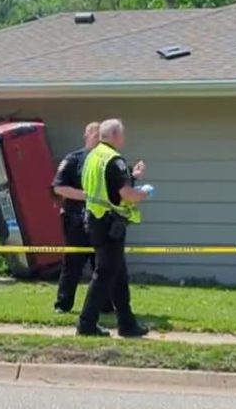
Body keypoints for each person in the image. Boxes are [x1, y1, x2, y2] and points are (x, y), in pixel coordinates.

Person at [76, 119, 151, 338]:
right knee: (105, 274)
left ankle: (127, 324)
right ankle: (86, 324)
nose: (124, 138)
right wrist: (145, 193)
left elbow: (105, 183)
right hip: (109, 223)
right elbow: (125, 194)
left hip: (93, 220)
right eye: (123, 134)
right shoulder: (113, 159)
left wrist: (132, 176)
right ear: (115, 135)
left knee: (118, 274)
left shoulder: (93, 156)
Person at [52, 121, 114, 315]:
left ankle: (103, 305)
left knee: (101, 264)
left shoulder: (107, 161)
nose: (98, 139)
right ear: (86, 136)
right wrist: (87, 195)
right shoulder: (73, 159)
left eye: (101, 136)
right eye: (95, 135)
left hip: (100, 221)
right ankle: (63, 304)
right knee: (73, 263)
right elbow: (59, 187)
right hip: (76, 220)